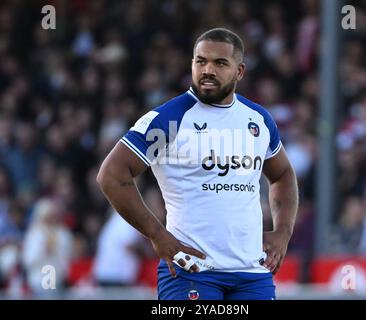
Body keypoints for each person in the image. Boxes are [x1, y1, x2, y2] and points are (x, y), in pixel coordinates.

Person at [97, 28, 298, 300]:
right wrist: (157, 234)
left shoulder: (258, 120)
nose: (208, 70)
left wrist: (283, 231)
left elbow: (282, 174)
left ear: (239, 72)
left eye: (219, 63)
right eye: (200, 61)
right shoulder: (169, 119)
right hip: (192, 271)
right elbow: (111, 175)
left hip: (252, 273)